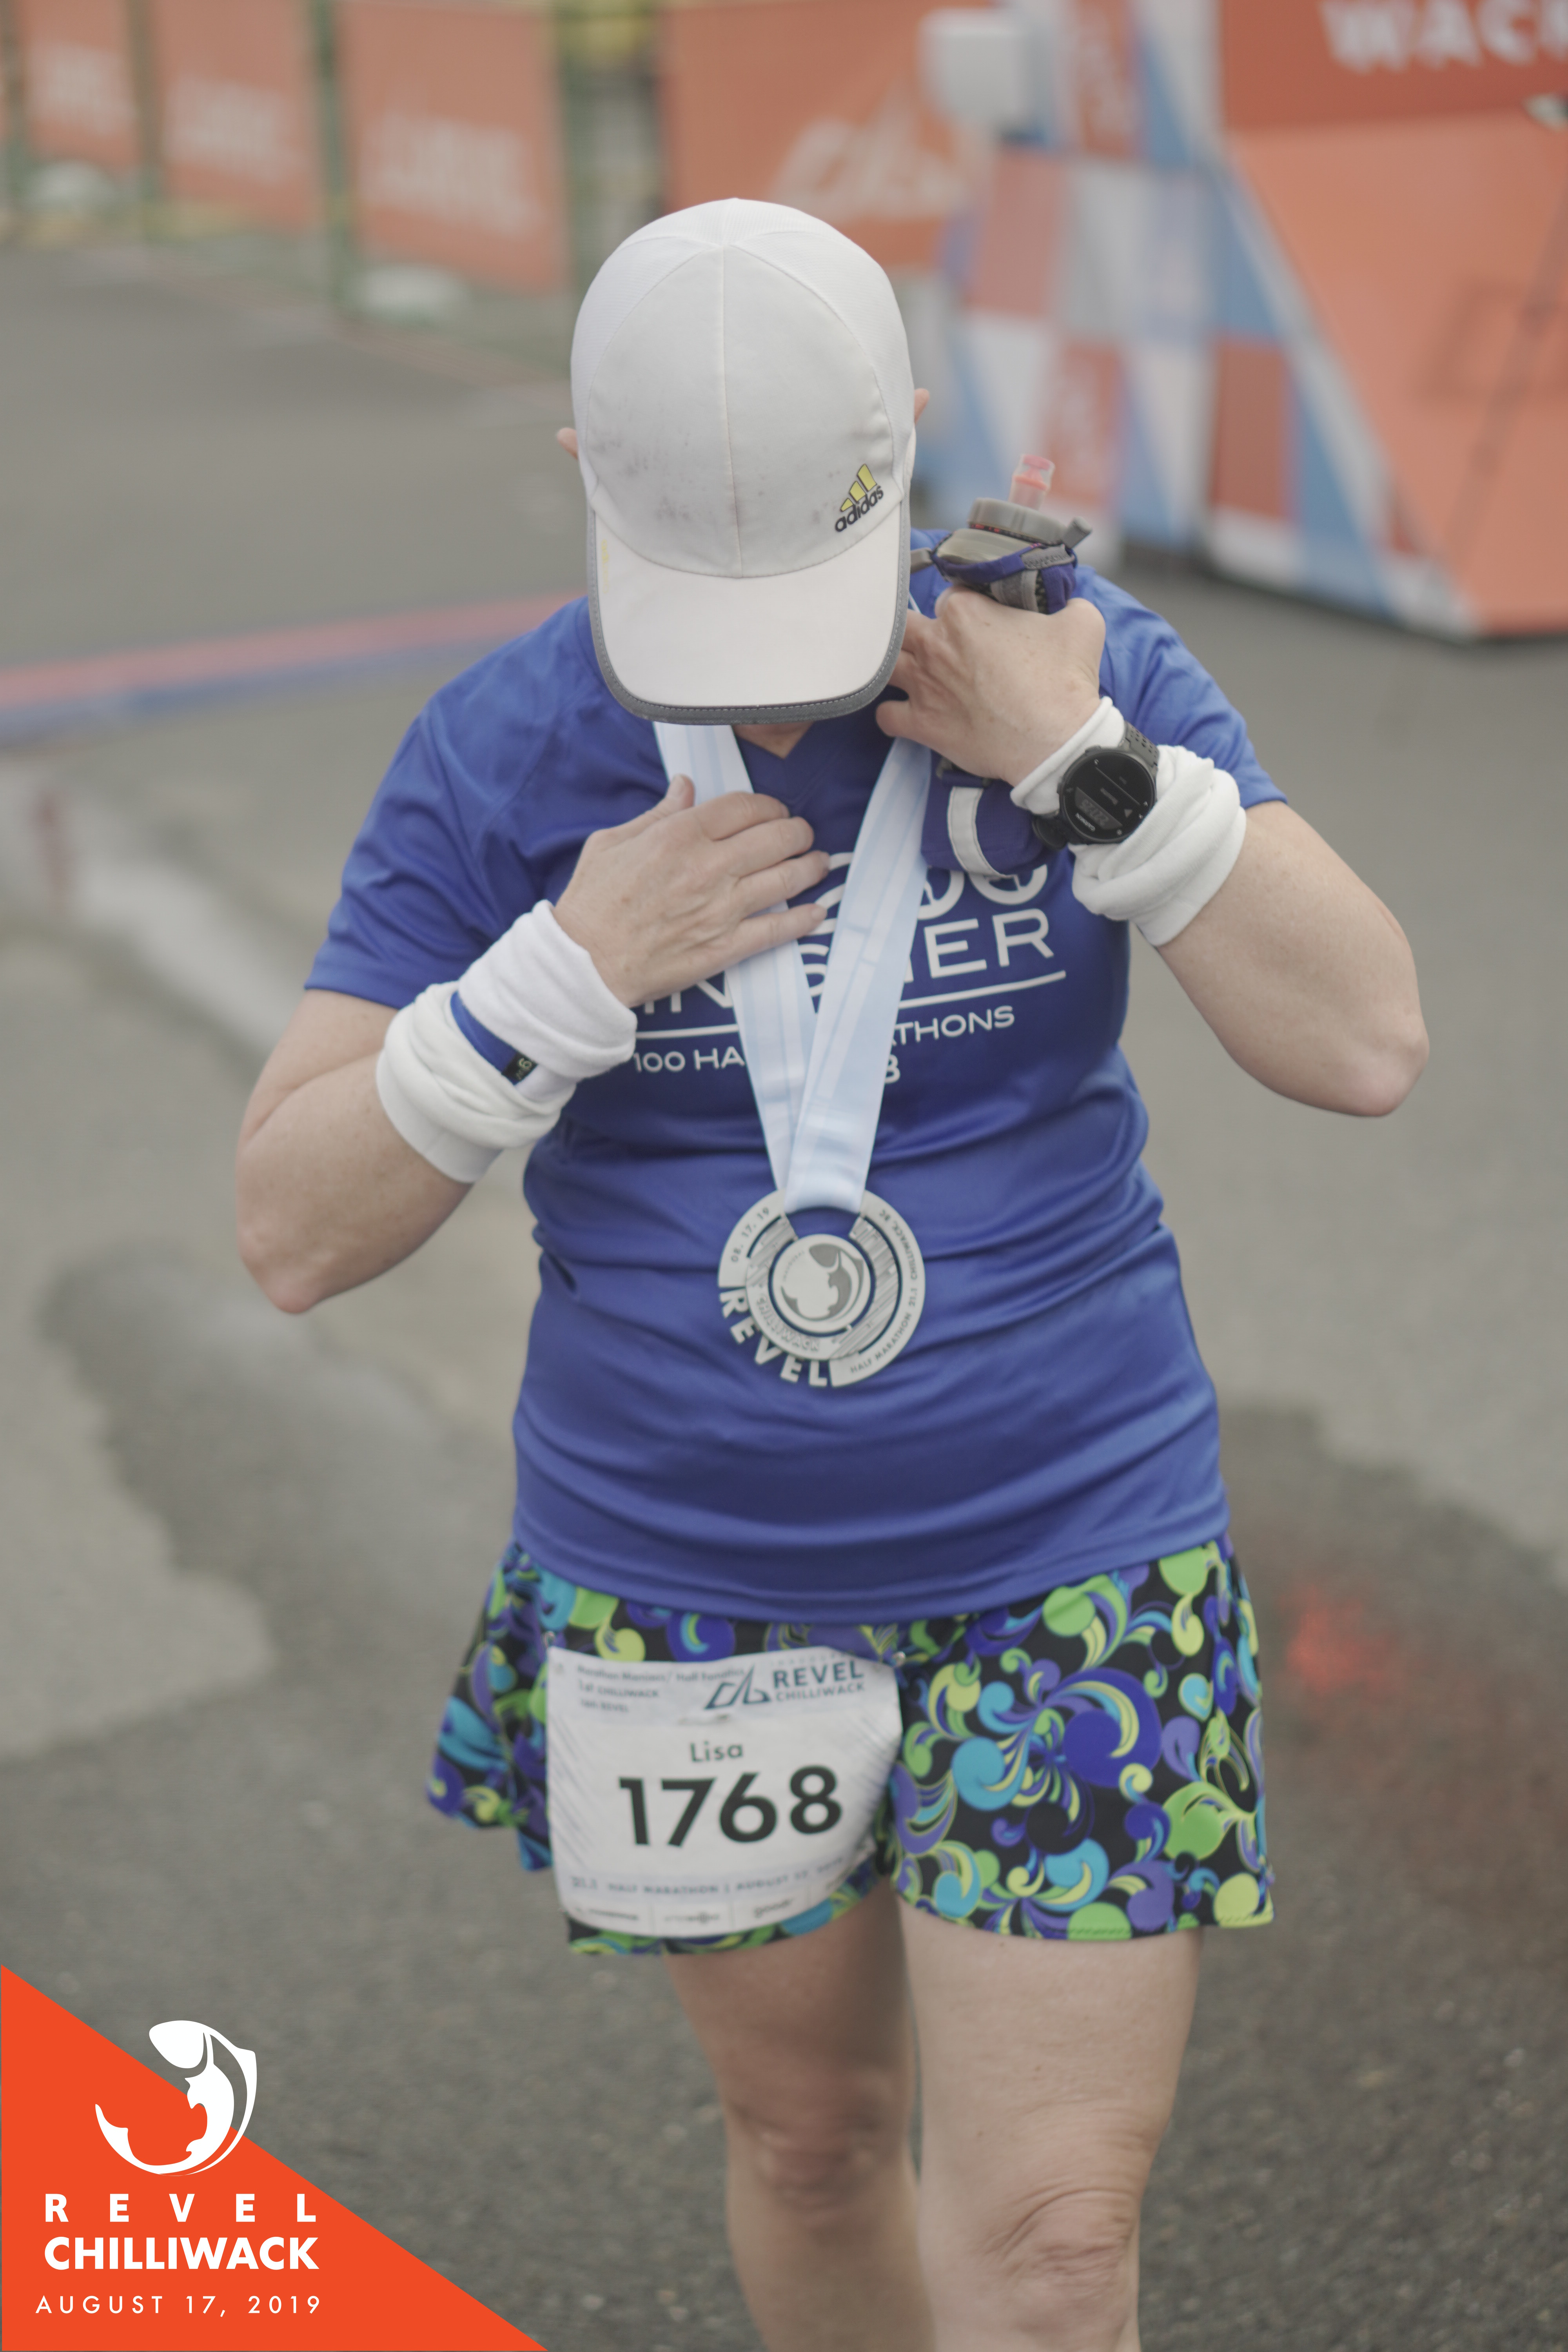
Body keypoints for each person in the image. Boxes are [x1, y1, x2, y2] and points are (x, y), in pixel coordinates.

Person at [236, 201, 1426, 2352]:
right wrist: (557, 978)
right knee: (810, 2141)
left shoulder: (1075, 667)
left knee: (1054, 2241)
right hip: (683, 1579)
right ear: (589, 471)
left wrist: (1087, 774)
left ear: (912, 442)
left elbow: (1363, 1041)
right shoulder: (506, 751)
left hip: (1076, 1549)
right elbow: (292, 1229)